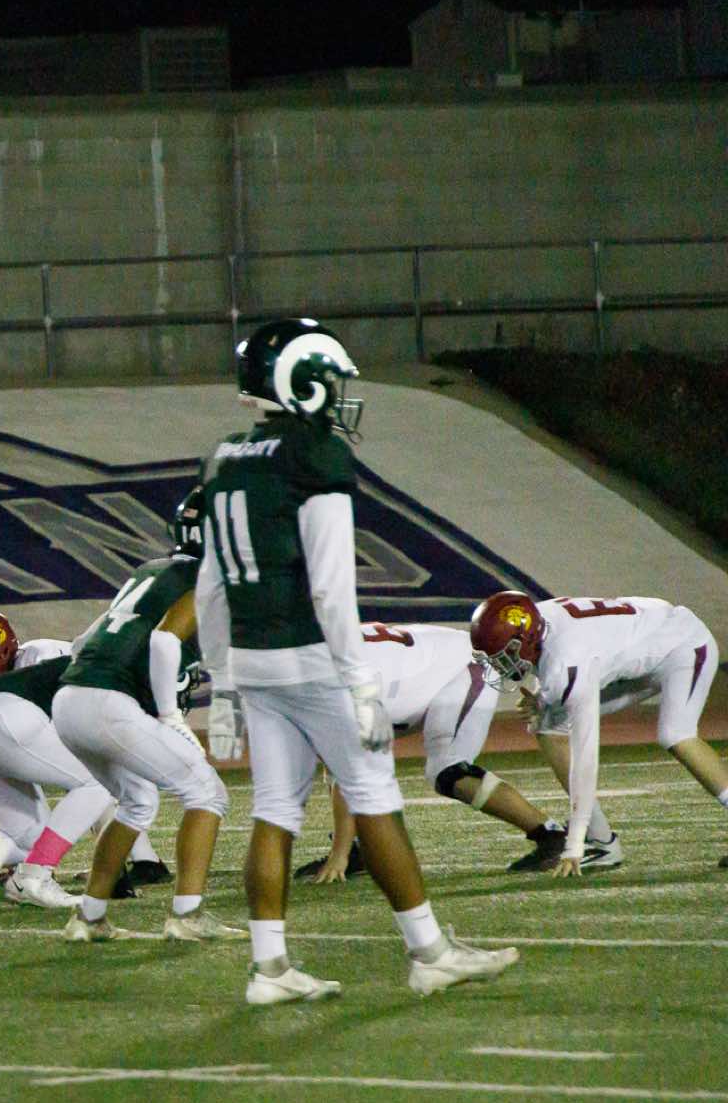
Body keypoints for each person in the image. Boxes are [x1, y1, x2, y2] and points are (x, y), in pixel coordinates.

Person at [198, 318, 518, 1003]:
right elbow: (330, 587)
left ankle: (269, 968)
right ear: (301, 380)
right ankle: (429, 952)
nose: (339, 394)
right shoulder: (314, 453)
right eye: (329, 378)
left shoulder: (226, 455)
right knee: (375, 797)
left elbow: (211, 581)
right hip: (311, 656)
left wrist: (221, 682)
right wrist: (359, 680)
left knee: (275, 807)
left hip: (252, 659)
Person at [49, 488, 242, 943]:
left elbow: (82, 642)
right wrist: (170, 716)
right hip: (108, 702)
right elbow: (163, 640)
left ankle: (89, 917)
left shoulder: (150, 570)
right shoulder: (207, 576)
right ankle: (187, 915)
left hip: (70, 698)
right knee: (207, 793)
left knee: (138, 802)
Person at [470, 591, 727, 876]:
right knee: (547, 724)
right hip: (645, 639)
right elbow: (572, 664)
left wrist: (574, 844)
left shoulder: (566, 660)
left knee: (676, 734)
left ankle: (595, 840)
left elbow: (585, 758)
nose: (498, 665)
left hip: (684, 644)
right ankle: (602, 843)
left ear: (525, 640)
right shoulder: (539, 624)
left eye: (504, 655)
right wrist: (542, 701)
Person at [294, 622, 563, 884]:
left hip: (461, 670)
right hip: (411, 680)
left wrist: (338, 856)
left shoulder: (330, 678)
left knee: (447, 770)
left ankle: (551, 835)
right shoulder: (313, 665)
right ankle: (362, 847)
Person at [0, 607, 170, 893]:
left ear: (1, 652)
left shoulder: (39, 659)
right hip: (94, 708)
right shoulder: (0, 694)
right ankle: (130, 865)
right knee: (84, 781)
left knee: (93, 779)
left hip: (118, 701)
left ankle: (131, 866)